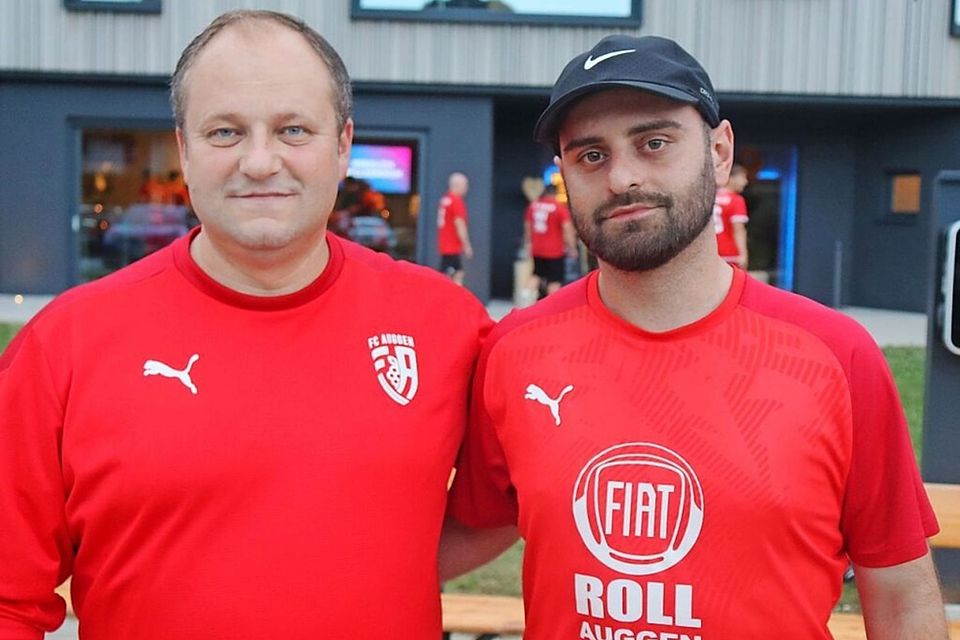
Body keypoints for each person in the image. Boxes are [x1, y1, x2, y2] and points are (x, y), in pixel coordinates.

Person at [0, 10, 490, 639]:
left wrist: (378, 565)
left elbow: (510, 495)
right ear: (183, 148)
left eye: (293, 129)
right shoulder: (64, 344)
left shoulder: (444, 324)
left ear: (342, 145)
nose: (260, 162)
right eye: (226, 132)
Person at [443, 34, 950, 639]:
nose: (623, 178)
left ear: (718, 151)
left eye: (653, 143)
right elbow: (477, 523)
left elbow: (899, 596)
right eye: (590, 156)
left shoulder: (834, 355)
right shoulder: (515, 350)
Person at [523, 183, 577, 299]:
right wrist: (572, 247)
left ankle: (523, 302)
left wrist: (528, 243)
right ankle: (551, 309)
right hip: (554, 251)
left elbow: (527, 225)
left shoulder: (534, 205)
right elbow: (567, 228)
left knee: (536, 274)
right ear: (555, 194)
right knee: (554, 280)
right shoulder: (558, 207)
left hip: (537, 249)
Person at [437, 171, 474, 285]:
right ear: (457, 185)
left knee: (454, 273)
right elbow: (459, 224)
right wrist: (466, 244)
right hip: (451, 245)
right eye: (465, 185)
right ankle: (453, 300)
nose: (466, 188)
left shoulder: (445, 200)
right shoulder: (456, 201)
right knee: (456, 274)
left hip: (444, 244)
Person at [714, 162, 749, 268]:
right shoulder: (736, 200)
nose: (745, 182)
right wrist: (743, 254)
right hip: (730, 254)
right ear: (731, 178)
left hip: (710, 253)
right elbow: (738, 230)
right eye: (742, 178)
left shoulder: (709, 198)